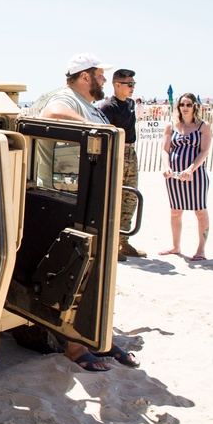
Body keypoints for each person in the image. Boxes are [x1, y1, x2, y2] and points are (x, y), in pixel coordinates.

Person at [40, 52, 140, 373]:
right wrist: (97, 131)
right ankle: (75, 346)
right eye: (99, 75)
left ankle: (100, 338)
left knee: (101, 276)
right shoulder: (65, 98)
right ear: (85, 77)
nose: (103, 81)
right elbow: (53, 113)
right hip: (72, 201)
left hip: (95, 201)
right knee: (78, 272)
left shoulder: (88, 104)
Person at [99, 69, 146, 261]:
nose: (132, 87)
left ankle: (123, 241)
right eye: (129, 84)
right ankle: (111, 244)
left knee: (130, 197)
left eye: (134, 84)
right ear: (117, 84)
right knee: (114, 197)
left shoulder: (130, 104)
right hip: (117, 152)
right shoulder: (107, 107)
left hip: (130, 152)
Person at [158, 92, 212, 260]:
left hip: (196, 175)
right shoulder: (171, 126)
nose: (185, 108)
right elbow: (165, 150)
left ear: (194, 106)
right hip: (174, 175)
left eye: (189, 104)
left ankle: (201, 249)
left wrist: (191, 169)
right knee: (175, 211)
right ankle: (176, 246)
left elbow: (204, 151)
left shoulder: (203, 126)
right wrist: (166, 167)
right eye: (182, 104)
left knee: (200, 211)